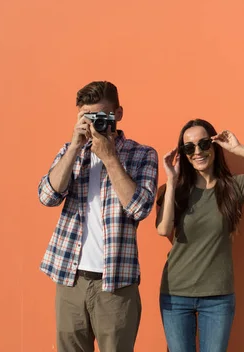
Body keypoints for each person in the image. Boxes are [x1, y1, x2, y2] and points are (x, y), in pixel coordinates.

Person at [37, 81, 159, 352]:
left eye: (103, 115)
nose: (96, 122)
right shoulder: (71, 151)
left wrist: (110, 158)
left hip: (116, 283)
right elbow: (47, 196)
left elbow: (140, 208)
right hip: (70, 278)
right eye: (89, 116)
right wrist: (73, 148)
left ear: (119, 113)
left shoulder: (142, 154)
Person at [156, 118, 244, 352]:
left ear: (214, 145)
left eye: (204, 143)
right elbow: (164, 230)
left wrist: (238, 149)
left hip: (217, 296)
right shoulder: (174, 191)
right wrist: (171, 181)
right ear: (183, 153)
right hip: (176, 293)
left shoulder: (232, 187)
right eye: (189, 147)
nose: (197, 151)